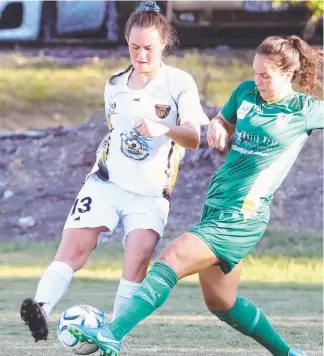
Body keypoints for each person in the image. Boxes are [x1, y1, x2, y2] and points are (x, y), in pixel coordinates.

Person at [67, 34, 323, 356]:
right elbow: (223, 122)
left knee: (170, 259)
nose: (257, 80)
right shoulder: (245, 92)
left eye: (265, 76)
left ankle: (112, 334)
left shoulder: (305, 110)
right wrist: (217, 124)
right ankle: (288, 354)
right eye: (255, 72)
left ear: (288, 75)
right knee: (221, 302)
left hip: (242, 216)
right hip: (216, 208)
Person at [20, 1, 208, 342]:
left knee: (137, 259)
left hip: (151, 192)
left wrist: (163, 128)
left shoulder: (180, 83)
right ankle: (40, 310)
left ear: (163, 43)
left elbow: (195, 138)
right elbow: (114, 132)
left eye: (148, 48)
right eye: (134, 47)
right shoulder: (115, 83)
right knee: (75, 246)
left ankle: (113, 335)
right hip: (106, 181)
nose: (141, 55)